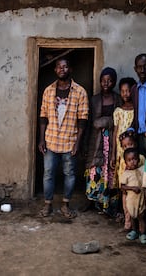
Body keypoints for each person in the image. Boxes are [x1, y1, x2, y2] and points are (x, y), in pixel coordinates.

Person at [38, 57, 89, 219]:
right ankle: (47, 205)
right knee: (48, 173)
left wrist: (78, 143)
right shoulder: (48, 91)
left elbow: (83, 119)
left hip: (70, 141)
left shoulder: (80, 92)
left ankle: (65, 205)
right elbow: (43, 117)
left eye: (65, 67)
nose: (62, 69)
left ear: (70, 69)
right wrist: (41, 140)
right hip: (51, 139)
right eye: (59, 67)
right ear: (55, 70)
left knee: (70, 173)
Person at [84, 67, 121, 216]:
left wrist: (104, 122)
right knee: (94, 169)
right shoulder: (94, 99)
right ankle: (92, 200)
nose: (106, 83)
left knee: (109, 170)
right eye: (103, 80)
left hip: (112, 139)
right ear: (100, 81)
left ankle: (108, 204)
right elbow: (90, 122)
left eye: (110, 80)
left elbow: (119, 119)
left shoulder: (117, 99)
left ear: (114, 82)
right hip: (96, 139)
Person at [116, 131, 145, 231]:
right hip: (127, 190)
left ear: (135, 144)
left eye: (130, 144)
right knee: (127, 208)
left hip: (139, 189)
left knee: (140, 208)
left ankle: (140, 230)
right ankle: (128, 225)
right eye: (125, 146)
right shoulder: (124, 160)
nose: (128, 147)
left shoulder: (141, 158)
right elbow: (121, 175)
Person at [120, 148, 146, 244]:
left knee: (141, 216)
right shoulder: (126, 174)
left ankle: (142, 233)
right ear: (126, 162)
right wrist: (132, 188)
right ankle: (134, 231)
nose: (132, 162)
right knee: (132, 216)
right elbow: (122, 187)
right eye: (129, 160)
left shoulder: (142, 169)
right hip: (131, 200)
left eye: (135, 159)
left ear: (139, 160)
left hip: (141, 198)